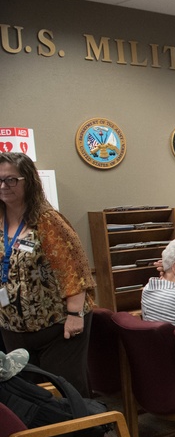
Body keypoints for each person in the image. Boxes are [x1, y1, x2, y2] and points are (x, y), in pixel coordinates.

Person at [0, 153, 95, 395]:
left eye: (11, 180)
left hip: (57, 325)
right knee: (27, 393)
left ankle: (81, 432)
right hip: (13, 329)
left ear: (28, 181)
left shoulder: (47, 221)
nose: (3, 186)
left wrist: (75, 314)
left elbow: (74, 269)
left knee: (65, 390)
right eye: (0, 180)